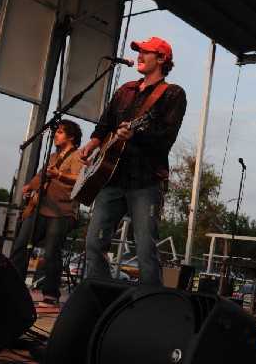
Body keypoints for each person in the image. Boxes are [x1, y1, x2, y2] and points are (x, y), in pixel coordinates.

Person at [78, 36, 187, 286]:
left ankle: (150, 306)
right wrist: (92, 145)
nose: (139, 55)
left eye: (146, 51)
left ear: (161, 59)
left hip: (146, 180)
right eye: (138, 51)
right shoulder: (125, 90)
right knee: (94, 243)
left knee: (145, 249)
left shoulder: (172, 94)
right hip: (111, 177)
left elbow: (167, 138)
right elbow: (104, 126)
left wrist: (136, 133)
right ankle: (99, 298)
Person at [10, 120, 83, 308]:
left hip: (63, 211)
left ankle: (50, 295)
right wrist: (29, 187)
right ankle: (10, 288)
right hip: (40, 208)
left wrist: (59, 175)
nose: (55, 135)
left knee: (52, 253)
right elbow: (40, 176)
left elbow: (79, 179)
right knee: (20, 247)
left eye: (59, 132)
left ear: (71, 136)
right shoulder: (52, 157)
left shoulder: (77, 157)